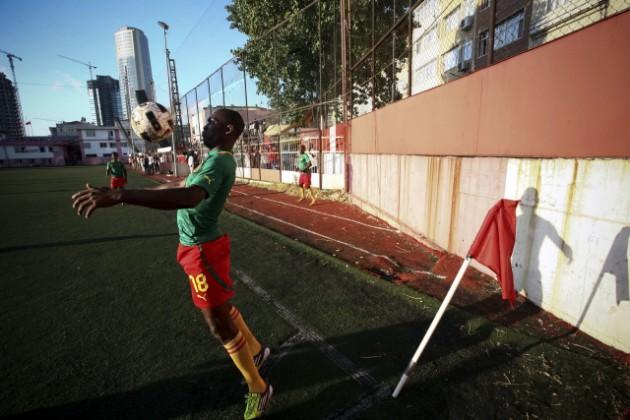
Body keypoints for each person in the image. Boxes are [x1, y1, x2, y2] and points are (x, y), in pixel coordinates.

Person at [72, 109, 273, 419]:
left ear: (229, 129)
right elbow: (177, 188)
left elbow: (190, 197)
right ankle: (257, 352)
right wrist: (117, 194)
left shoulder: (220, 161)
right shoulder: (212, 159)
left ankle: (258, 389)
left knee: (217, 324)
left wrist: (124, 195)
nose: (205, 127)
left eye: (211, 123)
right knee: (220, 308)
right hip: (197, 247)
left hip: (203, 250)